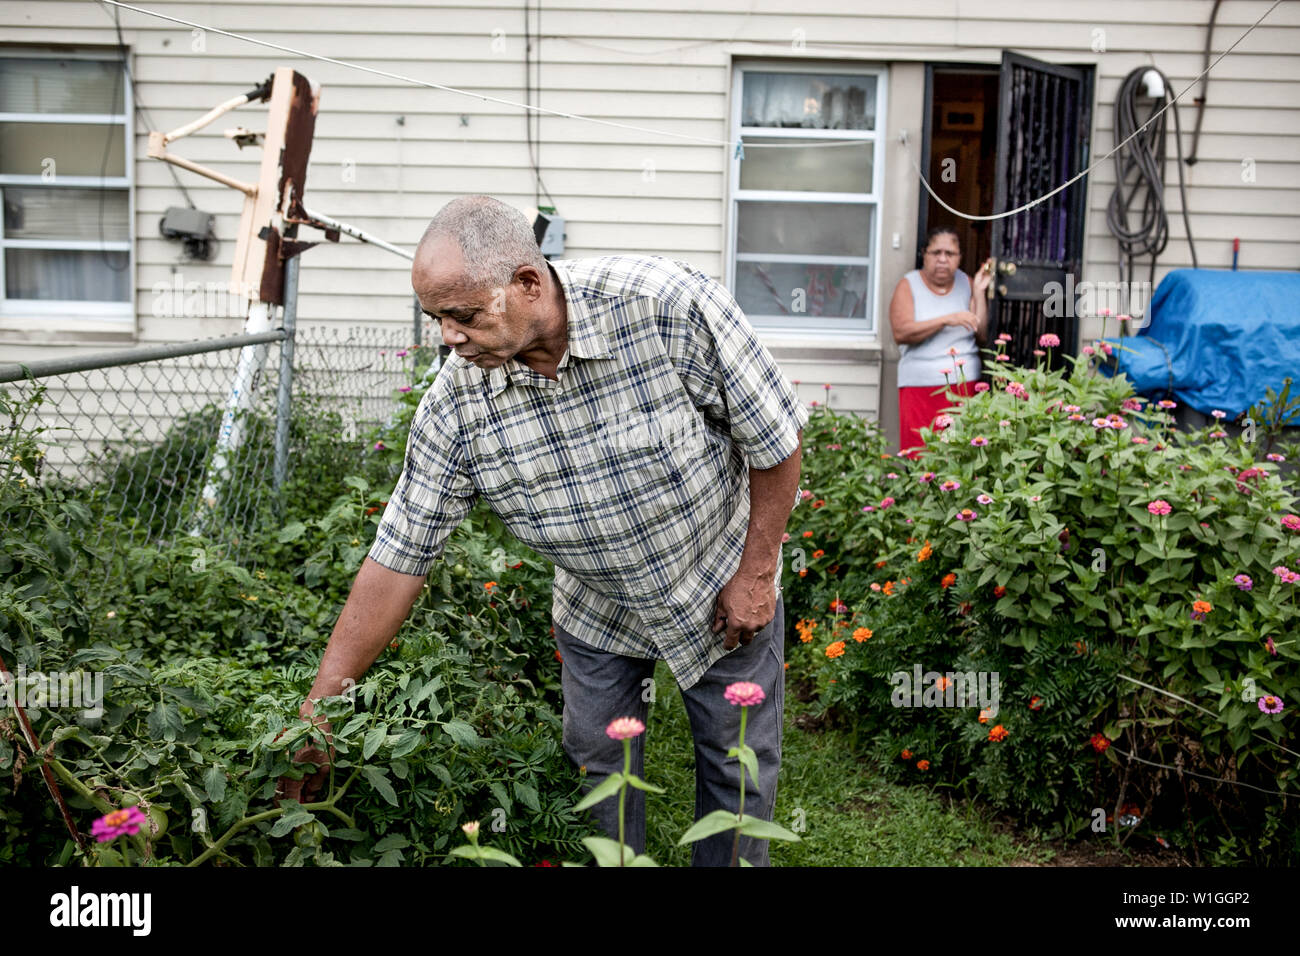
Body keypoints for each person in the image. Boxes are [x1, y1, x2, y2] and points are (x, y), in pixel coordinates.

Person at [275, 195, 807, 867]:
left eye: (463, 315)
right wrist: (323, 706)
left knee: (737, 771)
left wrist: (756, 574)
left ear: (528, 283)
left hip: (720, 582)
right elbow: (400, 555)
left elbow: (776, 441)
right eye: (436, 318)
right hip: (597, 609)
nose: (449, 336)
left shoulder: (667, 307)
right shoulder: (457, 405)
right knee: (598, 778)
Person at [889, 226, 992, 457]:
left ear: (959, 258)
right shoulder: (908, 285)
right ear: (924, 254)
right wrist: (947, 319)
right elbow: (902, 332)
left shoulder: (966, 282)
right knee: (921, 454)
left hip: (964, 384)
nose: (943, 259)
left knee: (960, 454)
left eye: (950, 254)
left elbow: (982, 332)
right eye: (936, 253)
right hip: (920, 386)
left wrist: (978, 292)